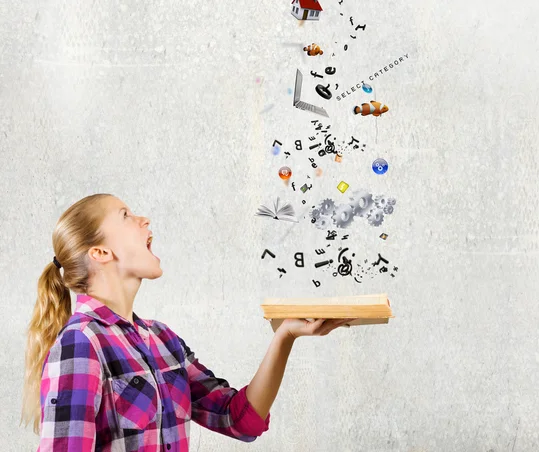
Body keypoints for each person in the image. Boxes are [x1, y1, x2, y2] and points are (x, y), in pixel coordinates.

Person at [21, 193, 351, 451]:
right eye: (126, 216)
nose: (143, 220)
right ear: (101, 253)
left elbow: (239, 419)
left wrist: (285, 337)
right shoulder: (81, 342)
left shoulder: (163, 341)